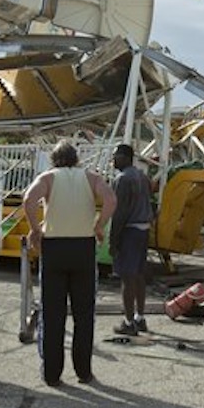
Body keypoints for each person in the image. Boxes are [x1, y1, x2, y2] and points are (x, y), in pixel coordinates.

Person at [23, 141, 116, 387]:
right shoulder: (91, 177)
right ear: (76, 159)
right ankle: (83, 371)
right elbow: (111, 199)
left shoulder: (48, 177)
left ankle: (52, 373)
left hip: (54, 247)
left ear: (54, 159)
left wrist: (35, 229)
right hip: (83, 247)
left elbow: (29, 200)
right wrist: (99, 224)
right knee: (84, 314)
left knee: (52, 314)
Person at [109, 144, 154, 336]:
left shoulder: (122, 179)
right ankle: (140, 317)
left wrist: (113, 241)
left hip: (129, 231)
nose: (113, 160)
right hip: (143, 230)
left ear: (125, 157)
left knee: (127, 277)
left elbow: (119, 213)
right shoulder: (143, 177)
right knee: (138, 275)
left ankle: (128, 323)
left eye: (115, 156)